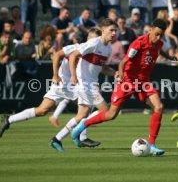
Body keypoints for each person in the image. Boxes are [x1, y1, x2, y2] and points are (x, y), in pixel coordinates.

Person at [70, 19, 169, 156]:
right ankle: (82, 125)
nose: (158, 38)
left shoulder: (159, 43)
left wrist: (170, 57)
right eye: (156, 34)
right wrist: (121, 74)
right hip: (128, 80)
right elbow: (123, 62)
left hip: (143, 82)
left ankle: (151, 144)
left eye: (161, 35)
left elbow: (160, 50)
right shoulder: (138, 43)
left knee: (158, 107)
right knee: (111, 114)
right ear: (150, 30)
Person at [0, 29, 103, 148]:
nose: (96, 42)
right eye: (94, 39)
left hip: (69, 85)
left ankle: (9, 119)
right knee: (87, 106)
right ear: (89, 39)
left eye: (97, 39)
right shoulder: (77, 47)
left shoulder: (92, 53)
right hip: (65, 83)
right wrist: (55, 75)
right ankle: (80, 137)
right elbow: (57, 55)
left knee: (42, 110)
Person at [49, 18, 118, 152]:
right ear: (103, 31)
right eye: (111, 30)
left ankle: (56, 139)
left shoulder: (108, 49)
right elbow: (74, 55)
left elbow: (103, 68)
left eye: (115, 30)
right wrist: (74, 76)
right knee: (106, 111)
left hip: (91, 83)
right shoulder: (94, 43)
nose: (114, 33)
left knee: (81, 116)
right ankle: (78, 131)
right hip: (85, 84)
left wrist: (114, 73)